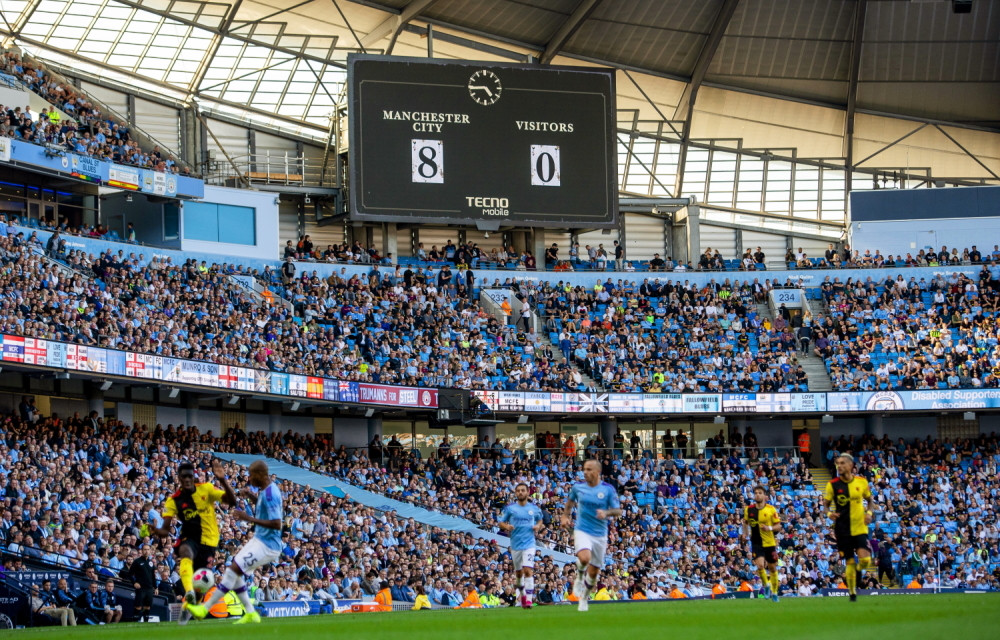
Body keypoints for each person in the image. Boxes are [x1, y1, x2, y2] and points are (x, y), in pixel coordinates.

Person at [187, 460, 283, 625]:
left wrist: (248, 518)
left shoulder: (271, 493)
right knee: (235, 569)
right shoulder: (265, 491)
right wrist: (251, 496)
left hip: (268, 545)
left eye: (252, 475)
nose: (249, 478)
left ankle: (204, 608)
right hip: (259, 540)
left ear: (260, 475)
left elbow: (277, 523)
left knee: (232, 571)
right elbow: (263, 506)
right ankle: (251, 613)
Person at [149, 460, 237, 623]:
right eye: (184, 477)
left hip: (210, 542)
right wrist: (154, 530)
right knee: (185, 551)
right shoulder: (173, 500)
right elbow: (165, 530)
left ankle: (189, 605)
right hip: (190, 537)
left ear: (194, 477)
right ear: (180, 479)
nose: (187, 479)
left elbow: (232, 501)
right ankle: (188, 591)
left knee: (201, 586)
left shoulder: (207, 489)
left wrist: (223, 480)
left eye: (190, 476)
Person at [561, 459, 622, 612]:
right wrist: (565, 516)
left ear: (597, 472)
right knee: (584, 558)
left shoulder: (608, 489)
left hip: (600, 534)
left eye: (589, 469)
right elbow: (569, 503)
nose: (585, 472)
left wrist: (606, 512)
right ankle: (580, 576)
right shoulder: (578, 487)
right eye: (584, 469)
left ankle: (584, 598)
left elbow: (618, 511)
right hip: (582, 529)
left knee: (594, 571)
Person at [823, 453, 875, 602]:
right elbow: (825, 505)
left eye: (842, 463)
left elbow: (870, 500)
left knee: (865, 560)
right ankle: (852, 591)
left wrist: (869, 513)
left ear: (851, 466)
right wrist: (829, 514)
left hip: (859, 527)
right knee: (850, 560)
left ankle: (858, 572)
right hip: (842, 529)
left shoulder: (862, 482)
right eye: (837, 463)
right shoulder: (832, 484)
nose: (839, 466)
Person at [498, 483, 543, 608]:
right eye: (518, 491)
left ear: (528, 492)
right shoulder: (510, 508)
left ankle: (528, 599)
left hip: (529, 543)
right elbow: (500, 522)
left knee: (528, 570)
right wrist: (507, 526)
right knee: (518, 574)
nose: (520, 492)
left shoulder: (534, 508)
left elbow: (540, 519)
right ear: (515, 493)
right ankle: (522, 595)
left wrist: (538, 526)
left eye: (523, 490)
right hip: (515, 544)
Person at [744, 485, 782, 602]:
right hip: (756, 542)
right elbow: (745, 523)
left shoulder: (771, 509)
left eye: (760, 493)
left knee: (772, 568)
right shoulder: (749, 509)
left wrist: (769, 528)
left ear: (765, 496)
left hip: (769, 542)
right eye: (756, 493)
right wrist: (745, 535)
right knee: (760, 566)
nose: (757, 495)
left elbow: (779, 526)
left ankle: (774, 592)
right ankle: (766, 586)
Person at [124, 546, 156, 621]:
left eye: (148, 549)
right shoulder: (137, 561)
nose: (146, 551)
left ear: (150, 551)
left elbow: (153, 576)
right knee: (138, 606)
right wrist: (134, 583)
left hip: (149, 588)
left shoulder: (151, 562)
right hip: (141, 588)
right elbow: (129, 574)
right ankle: (135, 622)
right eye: (145, 549)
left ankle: (146, 623)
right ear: (141, 551)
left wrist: (156, 587)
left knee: (147, 606)